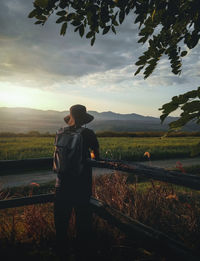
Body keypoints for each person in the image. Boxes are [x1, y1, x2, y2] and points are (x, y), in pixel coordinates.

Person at [53, 104, 99, 260]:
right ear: (84, 119)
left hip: (61, 183)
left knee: (61, 221)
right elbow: (96, 157)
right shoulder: (88, 133)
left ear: (70, 117)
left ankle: (61, 252)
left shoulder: (60, 132)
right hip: (81, 183)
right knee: (82, 220)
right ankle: (82, 253)